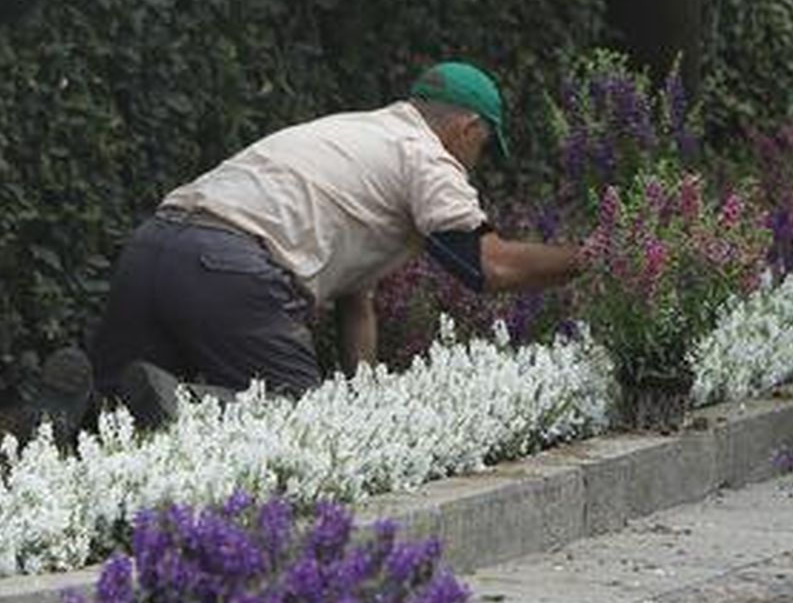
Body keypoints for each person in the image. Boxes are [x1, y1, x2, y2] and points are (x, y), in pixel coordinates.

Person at [30, 61, 582, 436]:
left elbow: (356, 302)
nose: (478, 161)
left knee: (118, 427)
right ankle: (187, 403)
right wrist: (595, 256)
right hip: (229, 269)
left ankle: (80, 409)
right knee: (299, 425)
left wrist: (362, 403)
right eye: (484, 145)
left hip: (153, 246)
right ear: (467, 127)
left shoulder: (355, 134)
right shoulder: (427, 157)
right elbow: (490, 266)